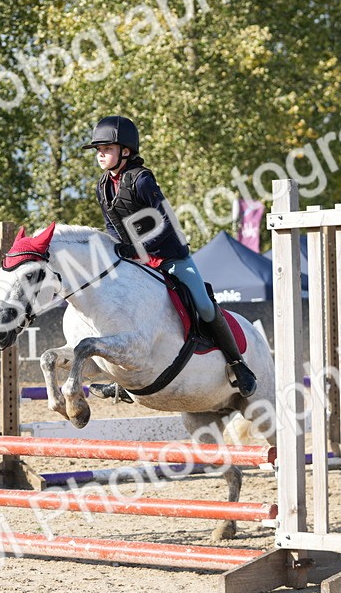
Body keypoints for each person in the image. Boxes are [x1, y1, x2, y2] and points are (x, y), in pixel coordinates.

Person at [82, 115, 256, 397]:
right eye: (99, 150)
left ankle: (238, 364)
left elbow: (164, 221)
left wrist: (141, 251)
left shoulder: (141, 179)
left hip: (169, 256)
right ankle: (123, 379)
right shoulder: (103, 185)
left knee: (205, 305)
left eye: (107, 149)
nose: (101, 154)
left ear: (125, 151)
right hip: (134, 261)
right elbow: (112, 225)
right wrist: (118, 250)